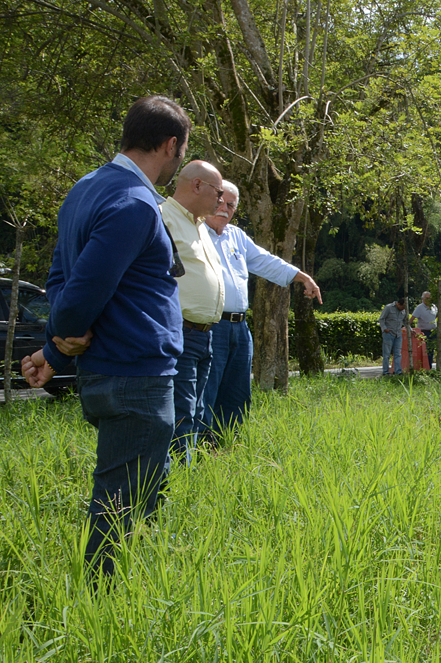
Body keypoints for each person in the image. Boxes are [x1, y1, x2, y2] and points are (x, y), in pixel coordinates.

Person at [20, 95, 191, 578]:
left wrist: (56, 345)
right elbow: (76, 298)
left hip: (109, 370)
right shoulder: (135, 203)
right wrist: (62, 335)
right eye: (181, 153)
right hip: (133, 374)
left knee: (138, 493)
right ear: (170, 145)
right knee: (121, 501)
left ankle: (140, 587)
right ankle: (102, 600)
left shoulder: (86, 188)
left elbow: (60, 278)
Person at [201, 180, 322, 439]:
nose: (224, 208)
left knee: (237, 392)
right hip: (209, 326)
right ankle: (199, 449)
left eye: (231, 205)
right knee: (206, 390)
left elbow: (265, 261)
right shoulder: (193, 232)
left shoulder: (236, 236)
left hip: (240, 328)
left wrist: (303, 277)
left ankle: (228, 445)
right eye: (220, 201)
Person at [161, 161, 226, 463]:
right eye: (218, 190)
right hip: (180, 331)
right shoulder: (164, 218)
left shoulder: (199, 227)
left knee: (197, 410)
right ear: (197, 185)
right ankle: (175, 483)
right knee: (181, 413)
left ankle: (189, 475)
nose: (221, 198)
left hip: (205, 334)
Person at [379, 297, 408, 375]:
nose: (403, 309)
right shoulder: (388, 307)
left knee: (398, 354)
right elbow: (381, 319)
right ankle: (385, 372)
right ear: (398, 304)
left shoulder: (404, 311)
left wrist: (411, 330)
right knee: (386, 354)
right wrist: (384, 329)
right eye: (402, 307)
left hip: (398, 335)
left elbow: (405, 322)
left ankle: (398, 371)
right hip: (388, 334)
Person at [411, 291, 437, 366]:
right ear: (423, 299)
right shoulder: (419, 308)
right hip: (424, 332)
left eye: (430, 298)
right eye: (427, 298)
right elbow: (412, 319)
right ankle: (424, 367)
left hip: (433, 332)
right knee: (424, 351)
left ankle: (430, 366)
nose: (429, 300)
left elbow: (435, 316)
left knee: (431, 350)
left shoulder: (434, 307)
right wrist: (409, 328)